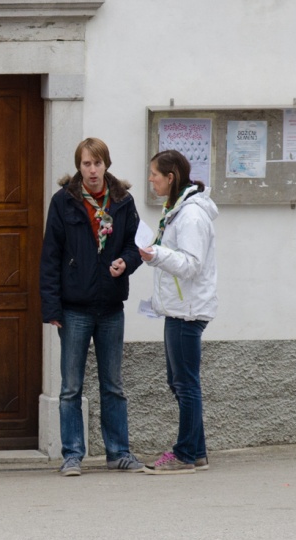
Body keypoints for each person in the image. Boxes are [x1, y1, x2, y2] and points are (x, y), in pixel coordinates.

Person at [38, 138, 145, 477]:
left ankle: (118, 452)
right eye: (86, 164)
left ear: (106, 165)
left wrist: (125, 263)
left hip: (111, 307)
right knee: (70, 388)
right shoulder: (63, 202)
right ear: (79, 167)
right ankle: (72, 455)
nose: (92, 170)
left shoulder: (123, 202)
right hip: (74, 309)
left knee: (113, 384)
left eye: (97, 163)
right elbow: (50, 257)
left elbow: (135, 245)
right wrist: (51, 307)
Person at [139, 150, 219, 475]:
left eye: (155, 175)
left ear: (170, 178)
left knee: (185, 384)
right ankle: (197, 451)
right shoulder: (177, 210)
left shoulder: (192, 216)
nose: (150, 180)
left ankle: (184, 454)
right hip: (177, 309)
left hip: (188, 312)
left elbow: (191, 264)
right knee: (179, 382)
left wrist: (155, 253)